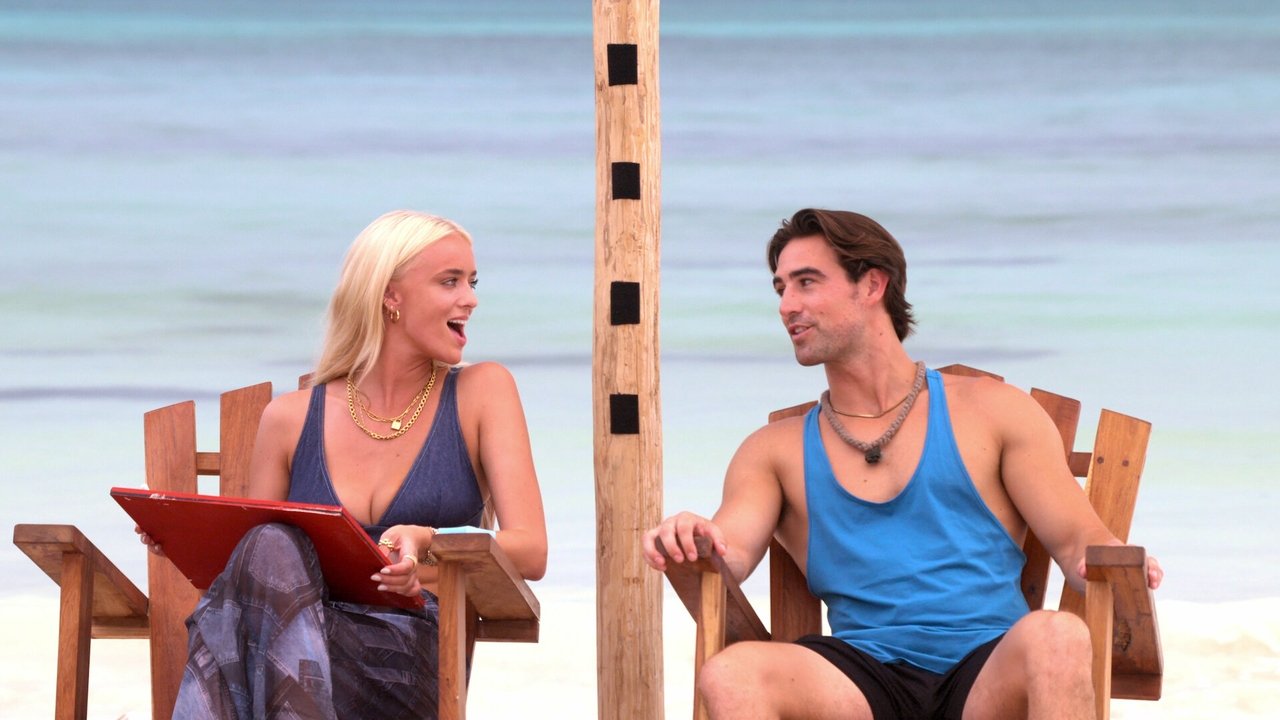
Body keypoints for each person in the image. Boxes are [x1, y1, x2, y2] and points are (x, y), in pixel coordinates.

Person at [642, 208, 1162, 720]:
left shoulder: (993, 412)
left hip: (986, 673)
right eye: (780, 288)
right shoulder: (773, 451)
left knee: (1059, 634)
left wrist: (1116, 558)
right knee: (731, 673)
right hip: (859, 678)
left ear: (872, 285)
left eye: (806, 282)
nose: (786, 305)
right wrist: (690, 535)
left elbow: (1076, 540)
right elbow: (727, 551)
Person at [139, 210, 547, 719]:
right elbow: (254, 582)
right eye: (450, 281)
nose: (471, 298)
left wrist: (428, 546)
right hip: (287, 649)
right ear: (390, 296)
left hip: (403, 658)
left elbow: (531, 551)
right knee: (267, 543)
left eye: (472, 282)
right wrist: (185, 540)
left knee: (259, 585)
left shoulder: (481, 392)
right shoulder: (289, 419)